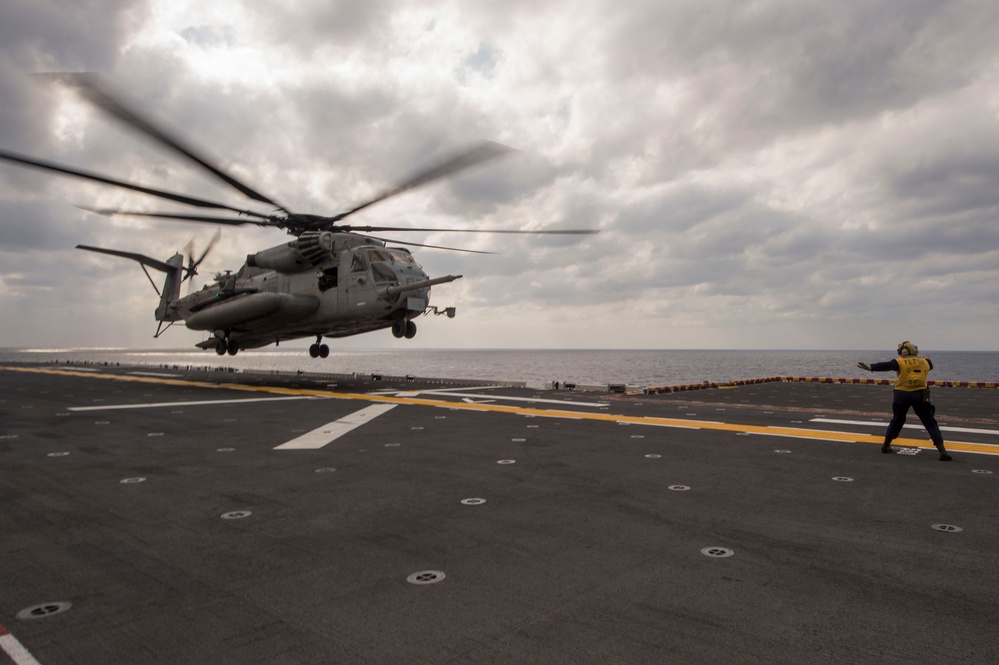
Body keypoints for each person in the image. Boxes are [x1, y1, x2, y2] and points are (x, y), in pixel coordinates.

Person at [857, 341, 951, 461]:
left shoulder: (900, 361)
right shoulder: (926, 362)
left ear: (903, 351)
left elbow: (886, 366)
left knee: (897, 419)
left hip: (901, 394)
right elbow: (930, 365)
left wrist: (870, 367)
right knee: (929, 422)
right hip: (920, 394)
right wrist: (926, 359)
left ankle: (886, 445)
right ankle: (942, 451)